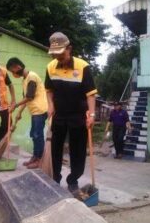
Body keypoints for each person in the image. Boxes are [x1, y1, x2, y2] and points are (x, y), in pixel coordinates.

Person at [45, 32, 97, 192]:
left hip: (78, 115)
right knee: (55, 149)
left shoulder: (83, 67)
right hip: (59, 114)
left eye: (61, 53)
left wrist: (92, 114)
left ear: (69, 49)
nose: (58, 56)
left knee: (78, 149)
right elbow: (48, 89)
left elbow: (91, 93)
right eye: (55, 53)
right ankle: (55, 178)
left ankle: (73, 179)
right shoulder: (50, 66)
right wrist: (50, 105)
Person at [6, 57, 48, 169]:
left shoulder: (32, 77)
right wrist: (19, 112)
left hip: (40, 109)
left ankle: (39, 160)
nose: (13, 73)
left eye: (12, 70)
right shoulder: (25, 79)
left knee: (37, 135)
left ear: (17, 67)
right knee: (34, 135)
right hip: (35, 111)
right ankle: (35, 156)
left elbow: (29, 97)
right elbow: (26, 97)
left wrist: (15, 105)